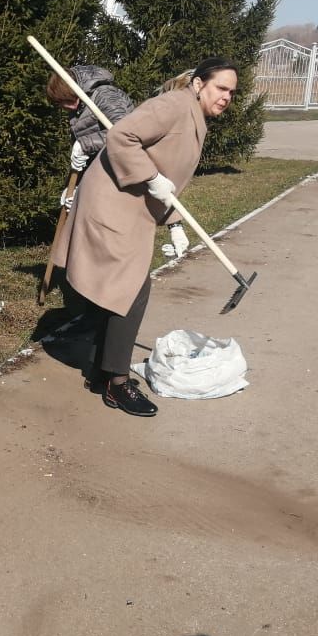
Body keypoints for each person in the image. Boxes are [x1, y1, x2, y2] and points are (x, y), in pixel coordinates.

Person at [53, 57, 239, 417]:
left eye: (231, 91)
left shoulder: (193, 114)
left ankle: (100, 371)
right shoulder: (173, 105)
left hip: (133, 209)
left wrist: (175, 224)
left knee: (121, 290)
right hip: (111, 203)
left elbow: (170, 178)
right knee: (131, 290)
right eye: (221, 88)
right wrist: (150, 177)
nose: (226, 97)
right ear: (199, 84)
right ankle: (116, 384)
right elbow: (123, 135)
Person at [44, 65, 134, 215]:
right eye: (60, 103)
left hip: (125, 173)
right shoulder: (77, 110)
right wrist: (72, 187)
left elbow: (126, 134)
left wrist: (85, 144)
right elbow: (83, 157)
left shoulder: (105, 95)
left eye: (64, 99)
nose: (64, 106)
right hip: (102, 174)